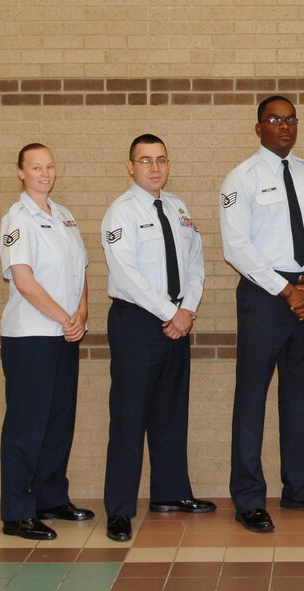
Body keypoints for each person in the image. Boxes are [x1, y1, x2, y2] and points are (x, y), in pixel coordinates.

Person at [219, 95, 304, 533]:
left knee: (297, 395)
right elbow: (237, 247)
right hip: (265, 299)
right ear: (258, 128)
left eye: (290, 120)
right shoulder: (242, 179)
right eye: (274, 120)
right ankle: (249, 497)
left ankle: (298, 487)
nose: (284, 127)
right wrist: (287, 289)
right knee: (251, 398)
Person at [100, 134, 214, 542]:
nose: (154, 167)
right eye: (145, 160)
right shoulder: (121, 213)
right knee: (129, 417)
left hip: (178, 319)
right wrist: (172, 314)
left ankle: (170, 493)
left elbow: (196, 262)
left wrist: (187, 310)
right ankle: (119, 509)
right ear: (129, 167)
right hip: (138, 323)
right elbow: (126, 274)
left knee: (171, 412)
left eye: (161, 159)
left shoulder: (178, 208)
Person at [0, 143, 94, 540]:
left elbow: (82, 271)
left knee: (58, 422)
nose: (45, 173)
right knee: (26, 425)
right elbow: (23, 280)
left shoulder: (65, 215)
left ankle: (51, 498)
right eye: (36, 167)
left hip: (65, 334)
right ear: (21, 172)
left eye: (50, 166)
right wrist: (64, 317)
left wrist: (82, 315)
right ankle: (17, 512)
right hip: (31, 337)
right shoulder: (16, 219)